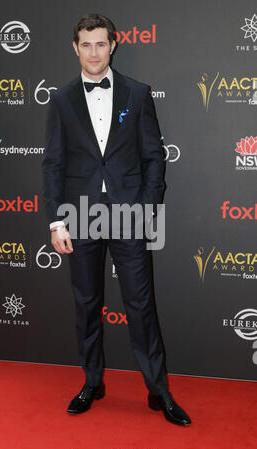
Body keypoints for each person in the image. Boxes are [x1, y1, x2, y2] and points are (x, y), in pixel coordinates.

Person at [42, 13, 191, 426]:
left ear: (113, 45)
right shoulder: (60, 99)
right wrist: (57, 221)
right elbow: (53, 165)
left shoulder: (138, 94)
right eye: (85, 45)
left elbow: (153, 158)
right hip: (80, 215)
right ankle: (92, 382)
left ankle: (159, 391)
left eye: (100, 44)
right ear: (76, 48)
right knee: (87, 304)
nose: (93, 52)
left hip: (129, 215)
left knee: (141, 306)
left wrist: (145, 208)